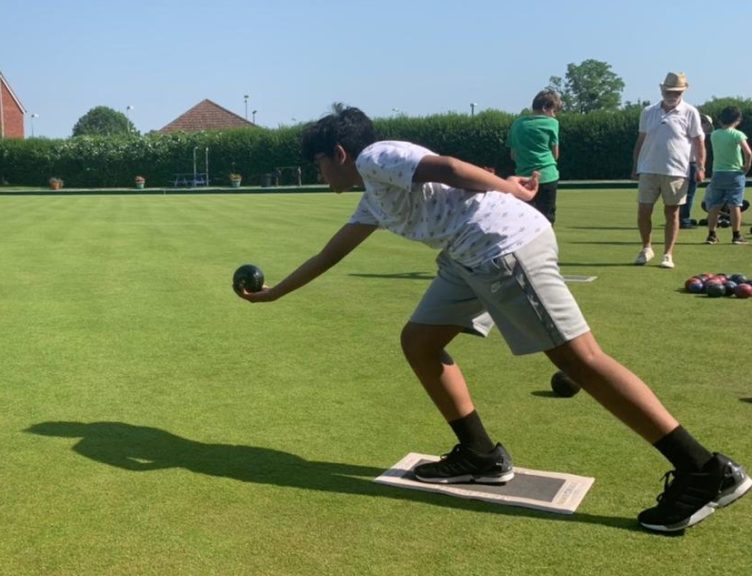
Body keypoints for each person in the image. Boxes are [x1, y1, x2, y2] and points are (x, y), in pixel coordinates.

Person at [236, 105, 749, 533]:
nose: (319, 173)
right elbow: (333, 253)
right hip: (466, 256)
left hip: (501, 245)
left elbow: (452, 168)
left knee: (580, 359)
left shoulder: (377, 155)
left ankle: (704, 470)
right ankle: (479, 455)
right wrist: (277, 292)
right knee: (419, 340)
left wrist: (514, 191)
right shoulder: (375, 196)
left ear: (341, 154)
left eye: (319, 163)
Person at [631, 72, 706, 269]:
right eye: (669, 91)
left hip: (677, 170)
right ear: (662, 90)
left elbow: (699, 141)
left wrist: (701, 166)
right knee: (643, 211)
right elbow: (641, 140)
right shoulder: (648, 111)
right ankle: (646, 248)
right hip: (648, 168)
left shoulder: (690, 112)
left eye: (677, 91)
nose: (672, 94)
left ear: (682, 91)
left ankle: (667, 254)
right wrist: (635, 166)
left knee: (672, 213)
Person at [507, 89, 562, 224]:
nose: (554, 116)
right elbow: (555, 154)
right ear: (545, 108)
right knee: (547, 216)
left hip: (523, 177)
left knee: (524, 218)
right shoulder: (552, 123)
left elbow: (513, 155)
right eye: (553, 111)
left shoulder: (517, 124)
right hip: (547, 175)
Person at [704, 106, 751, 245]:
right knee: (735, 205)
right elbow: (748, 152)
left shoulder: (714, 134)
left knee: (715, 206)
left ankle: (711, 235)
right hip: (735, 173)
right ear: (737, 119)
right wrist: (747, 166)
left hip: (717, 173)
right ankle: (736, 236)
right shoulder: (738, 134)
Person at [679, 114, 715, 229]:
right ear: (704, 123)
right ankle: (684, 220)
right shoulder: (699, 134)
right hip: (691, 164)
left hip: (680, 164)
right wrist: (701, 168)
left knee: (680, 193)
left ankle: (679, 218)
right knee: (689, 194)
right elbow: (700, 152)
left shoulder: (684, 130)